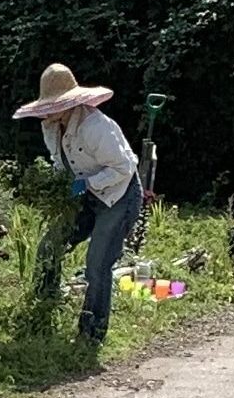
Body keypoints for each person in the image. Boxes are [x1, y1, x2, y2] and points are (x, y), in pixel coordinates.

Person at [15, 63, 142, 346]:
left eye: (53, 105)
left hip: (117, 196)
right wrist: (56, 187)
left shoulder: (95, 127)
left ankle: (91, 335)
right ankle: (41, 310)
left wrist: (87, 183)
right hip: (84, 196)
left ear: (68, 102)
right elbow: (61, 164)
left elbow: (123, 168)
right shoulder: (50, 127)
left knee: (96, 264)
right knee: (50, 245)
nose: (47, 111)